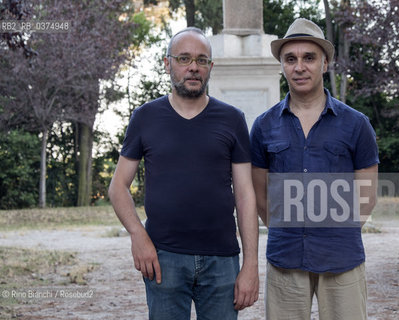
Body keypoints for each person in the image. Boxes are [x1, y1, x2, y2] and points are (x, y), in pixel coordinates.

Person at [108, 27, 259, 320]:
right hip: (163, 258)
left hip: (222, 260)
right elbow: (118, 187)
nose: (193, 67)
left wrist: (250, 264)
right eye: (184, 58)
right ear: (167, 64)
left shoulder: (232, 119)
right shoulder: (145, 117)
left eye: (202, 60)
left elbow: (245, 195)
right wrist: (138, 235)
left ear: (210, 68)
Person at [250, 18, 379, 320]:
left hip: (342, 258)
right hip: (285, 258)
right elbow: (260, 196)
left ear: (325, 63)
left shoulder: (356, 124)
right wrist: (290, 228)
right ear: (282, 65)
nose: (299, 66)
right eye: (290, 59)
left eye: (309, 58)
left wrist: (332, 231)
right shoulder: (264, 126)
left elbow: (366, 196)